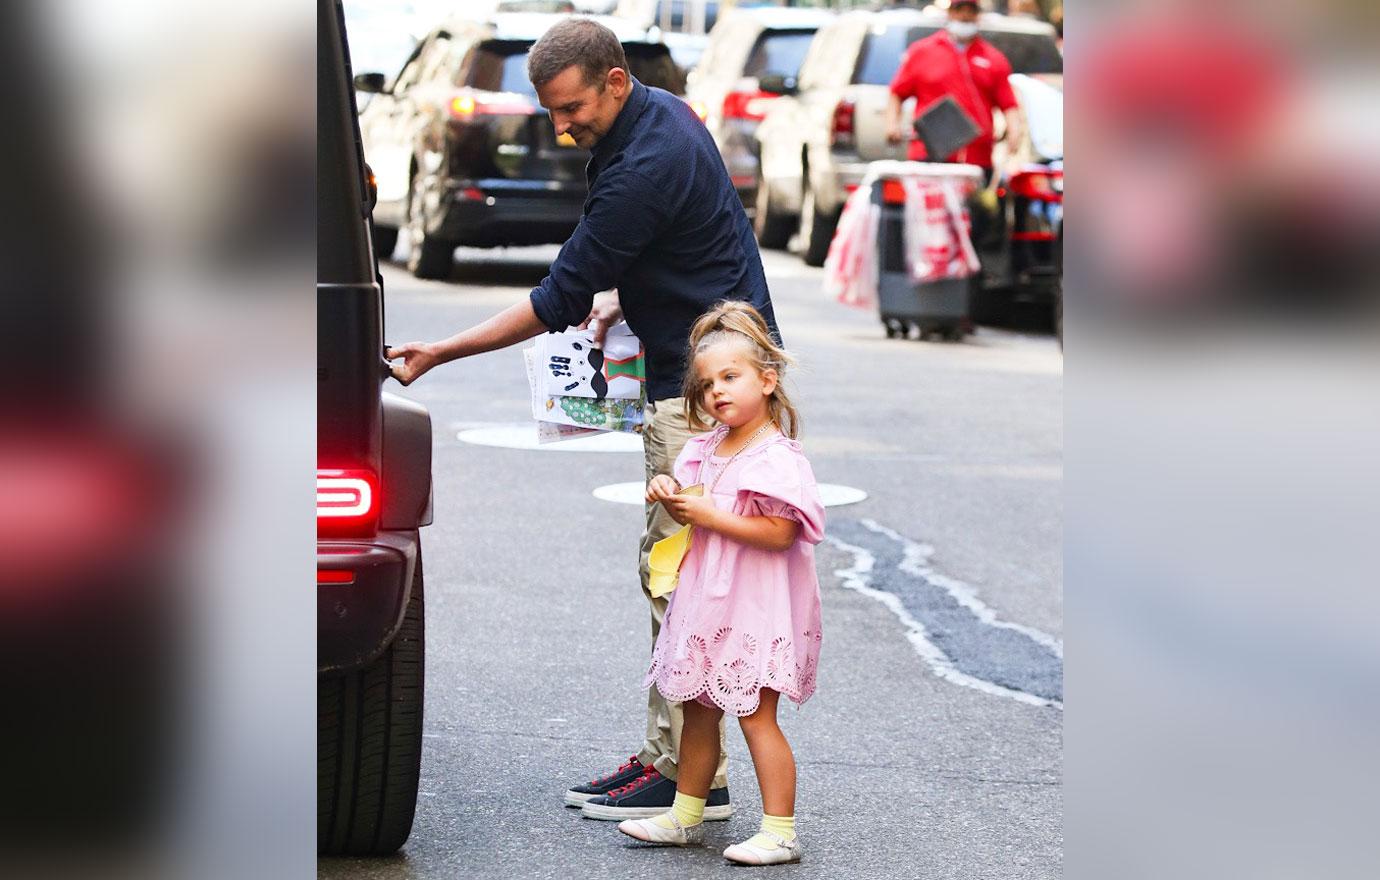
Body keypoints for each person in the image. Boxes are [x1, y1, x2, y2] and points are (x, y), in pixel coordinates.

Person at [385, 18, 779, 821]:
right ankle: (675, 757)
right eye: (552, 114)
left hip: (701, 393)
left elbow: (555, 296)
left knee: (681, 583)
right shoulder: (660, 112)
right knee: (679, 577)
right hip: (707, 363)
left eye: (573, 110)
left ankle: (687, 778)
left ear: (615, 82)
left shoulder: (648, 159)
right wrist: (619, 298)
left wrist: (438, 353)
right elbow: (659, 250)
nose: (563, 129)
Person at [616, 302, 824, 866]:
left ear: (767, 379)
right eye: (707, 384)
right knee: (699, 708)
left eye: (730, 378)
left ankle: (780, 830)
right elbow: (694, 512)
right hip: (707, 597)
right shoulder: (704, 448)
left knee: (756, 714)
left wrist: (707, 516)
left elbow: (781, 532)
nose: (717, 393)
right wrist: (670, 493)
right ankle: (687, 813)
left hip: (756, 604)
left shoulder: (775, 456)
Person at [883, 0, 1023, 183]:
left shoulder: (993, 58)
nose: (964, 15)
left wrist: (1014, 132)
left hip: (975, 159)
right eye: (959, 10)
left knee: (975, 210)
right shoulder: (922, 52)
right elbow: (897, 93)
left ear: (977, 15)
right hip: (929, 156)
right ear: (950, 13)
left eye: (970, 11)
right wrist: (892, 124)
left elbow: (1008, 104)